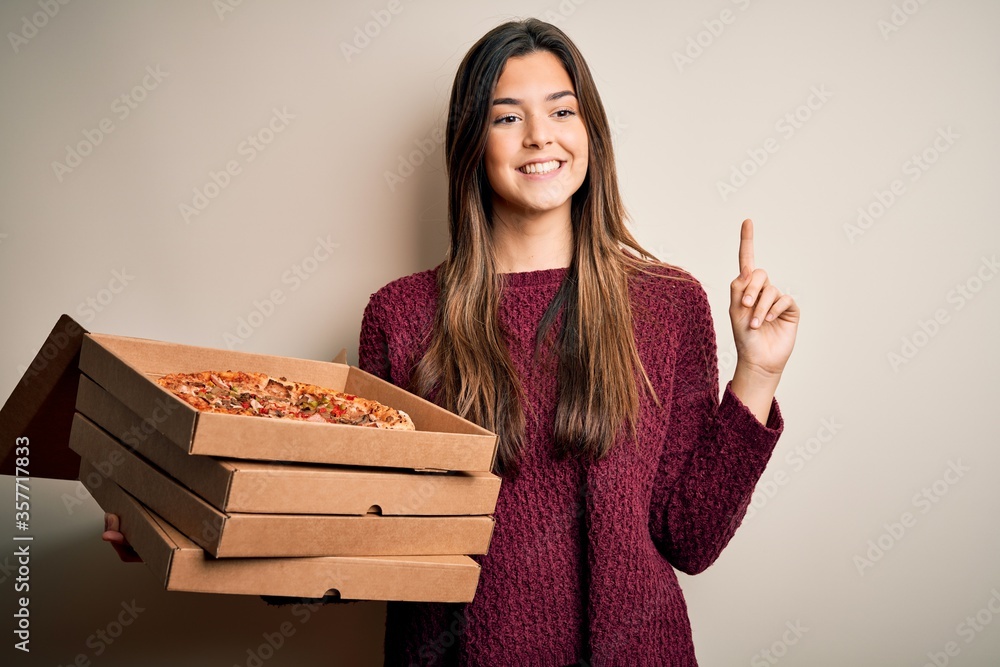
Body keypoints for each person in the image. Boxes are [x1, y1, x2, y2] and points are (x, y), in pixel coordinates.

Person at [105, 17, 799, 666]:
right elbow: (357, 540)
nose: (539, 136)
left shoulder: (668, 303)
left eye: (562, 110)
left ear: (592, 133)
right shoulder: (400, 317)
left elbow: (690, 538)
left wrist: (757, 377)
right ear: (472, 141)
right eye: (507, 117)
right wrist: (183, 522)